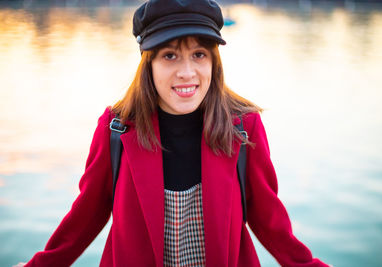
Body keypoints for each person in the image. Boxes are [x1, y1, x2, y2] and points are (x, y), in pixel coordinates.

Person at [16, 0, 330, 266]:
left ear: (213, 63)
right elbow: (86, 216)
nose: (187, 72)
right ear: (148, 64)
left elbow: (270, 221)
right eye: (170, 56)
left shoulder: (243, 127)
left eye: (199, 55)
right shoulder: (116, 127)